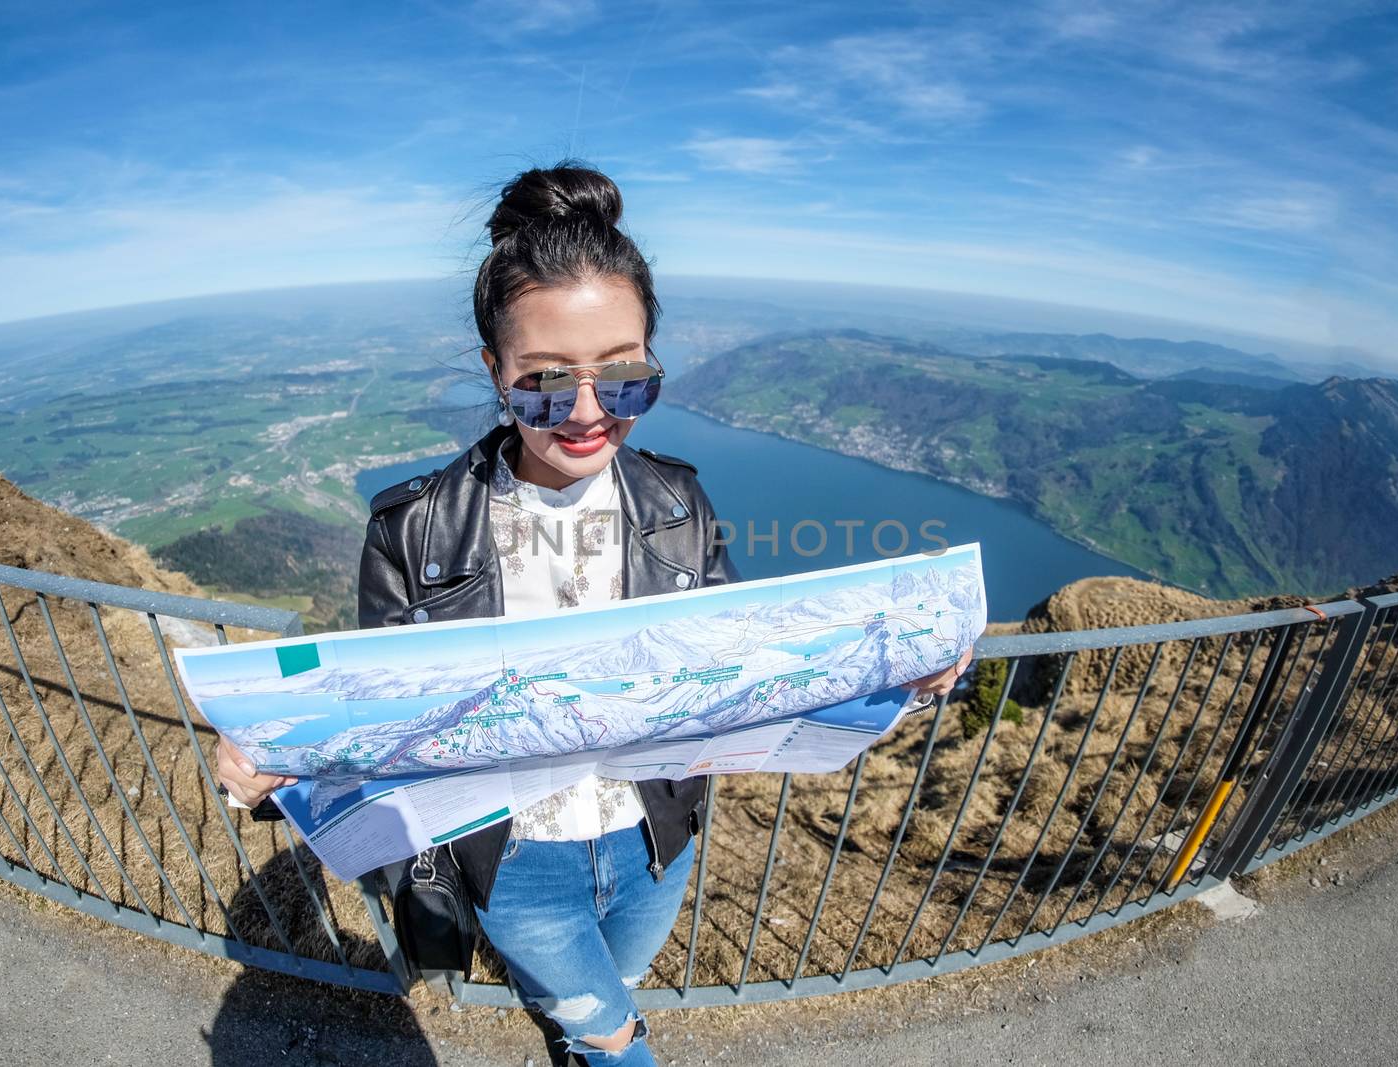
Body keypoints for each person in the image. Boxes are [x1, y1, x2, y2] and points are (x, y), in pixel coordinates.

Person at [215, 161, 972, 1064]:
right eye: (543, 382)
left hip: (657, 841)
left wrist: (904, 670)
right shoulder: (413, 531)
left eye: (624, 381)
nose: (585, 414)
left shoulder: (680, 508)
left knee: (601, 1001)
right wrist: (280, 764)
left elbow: (755, 667)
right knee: (613, 1036)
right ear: (494, 371)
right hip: (516, 862)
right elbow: (380, 716)